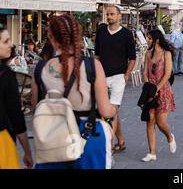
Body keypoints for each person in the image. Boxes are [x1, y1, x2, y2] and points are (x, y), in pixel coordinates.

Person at [31, 14, 117, 169]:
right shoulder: (93, 66)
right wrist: (114, 109)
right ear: (77, 36)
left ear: (51, 37)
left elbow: (35, 107)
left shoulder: (40, 68)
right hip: (88, 136)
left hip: (52, 138)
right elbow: (105, 110)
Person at [95, 5, 136, 154]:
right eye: (108, 14)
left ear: (119, 16)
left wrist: (126, 75)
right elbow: (97, 55)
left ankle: (109, 146)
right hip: (102, 77)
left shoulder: (126, 34)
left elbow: (132, 57)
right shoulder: (101, 32)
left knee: (110, 112)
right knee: (109, 112)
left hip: (119, 77)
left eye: (112, 14)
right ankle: (121, 141)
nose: (109, 17)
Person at [0, 24, 33, 169]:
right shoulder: (5, 74)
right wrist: (27, 151)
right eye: (6, 41)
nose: (11, 45)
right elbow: (16, 117)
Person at [142, 29, 176, 162]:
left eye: (149, 38)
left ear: (156, 40)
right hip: (150, 91)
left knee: (161, 122)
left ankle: (170, 137)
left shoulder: (166, 54)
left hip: (163, 90)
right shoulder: (148, 54)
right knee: (150, 120)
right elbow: (144, 72)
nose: (147, 41)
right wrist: (148, 87)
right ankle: (151, 153)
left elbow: (167, 74)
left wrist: (157, 88)